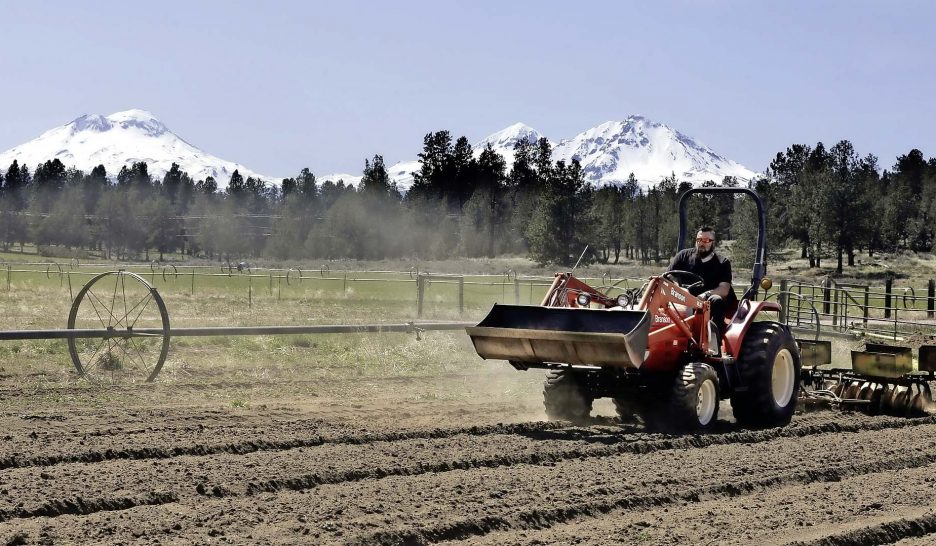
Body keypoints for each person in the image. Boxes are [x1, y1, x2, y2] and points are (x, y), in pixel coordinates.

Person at [667, 226, 736, 346]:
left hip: (707, 301)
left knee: (717, 300)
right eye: (699, 240)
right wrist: (679, 288)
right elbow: (668, 276)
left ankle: (714, 343)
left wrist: (705, 295)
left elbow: (724, 289)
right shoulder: (683, 256)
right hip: (684, 298)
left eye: (706, 240)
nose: (701, 243)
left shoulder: (722, 262)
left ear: (712, 243)